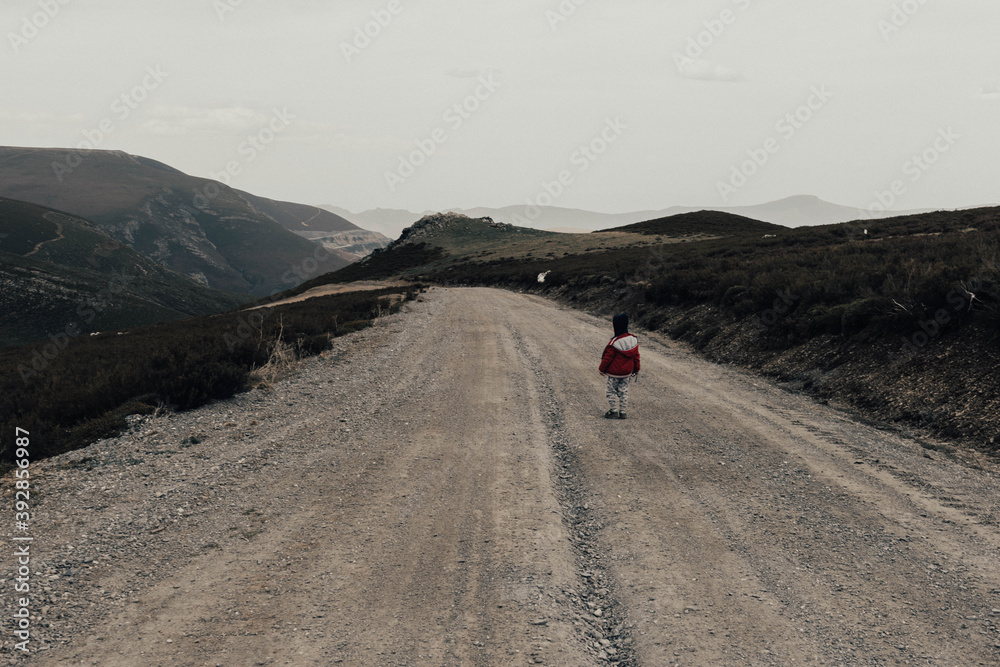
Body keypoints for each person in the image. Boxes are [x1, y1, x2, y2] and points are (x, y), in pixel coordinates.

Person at [599, 313, 640, 419]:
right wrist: (636, 369)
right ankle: (623, 411)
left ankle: (613, 410)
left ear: (616, 326)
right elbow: (636, 357)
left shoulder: (614, 343)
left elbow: (607, 359)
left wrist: (601, 369)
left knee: (610, 390)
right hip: (627, 373)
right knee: (624, 391)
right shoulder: (633, 340)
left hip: (614, 373)